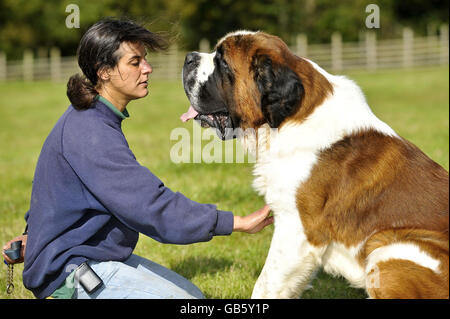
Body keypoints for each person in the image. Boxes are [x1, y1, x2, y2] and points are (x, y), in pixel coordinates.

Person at [3, 18, 273, 299]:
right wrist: (234, 222)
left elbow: (56, 192)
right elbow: (151, 207)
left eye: (145, 59)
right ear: (104, 71)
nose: (147, 68)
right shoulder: (90, 132)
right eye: (135, 62)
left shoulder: (92, 119)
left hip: (91, 255)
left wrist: (32, 238)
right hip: (70, 273)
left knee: (194, 296)